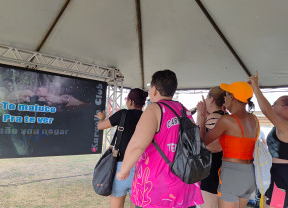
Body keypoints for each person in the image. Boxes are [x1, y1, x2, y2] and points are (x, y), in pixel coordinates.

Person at [116, 70, 203, 208]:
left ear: (155, 90)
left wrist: (124, 170)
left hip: (157, 187)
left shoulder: (154, 109)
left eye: (150, 87)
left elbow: (137, 145)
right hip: (184, 183)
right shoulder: (184, 110)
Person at [197, 81, 259, 208]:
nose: (224, 99)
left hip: (232, 174)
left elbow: (202, 142)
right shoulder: (254, 119)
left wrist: (202, 116)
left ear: (232, 97)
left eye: (226, 95)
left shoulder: (227, 120)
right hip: (249, 174)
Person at [249, 71, 288, 208]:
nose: (273, 106)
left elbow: (267, 110)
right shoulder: (281, 125)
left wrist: (256, 88)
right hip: (272, 172)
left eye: (275, 104)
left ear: (285, 108)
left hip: (282, 176)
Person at [95, 88, 148, 208]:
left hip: (120, 167)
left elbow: (100, 126)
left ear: (130, 101)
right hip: (142, 169)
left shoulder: (123, 114)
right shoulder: (148, 118)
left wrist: (102, 117)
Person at [196, 87, 226, 208]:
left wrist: (201, 116)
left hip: (211, 169)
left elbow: (212, 145)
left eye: (207, 99)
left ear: (211, 100)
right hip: (218, 168)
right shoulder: (223, 116)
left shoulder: (214, 118)